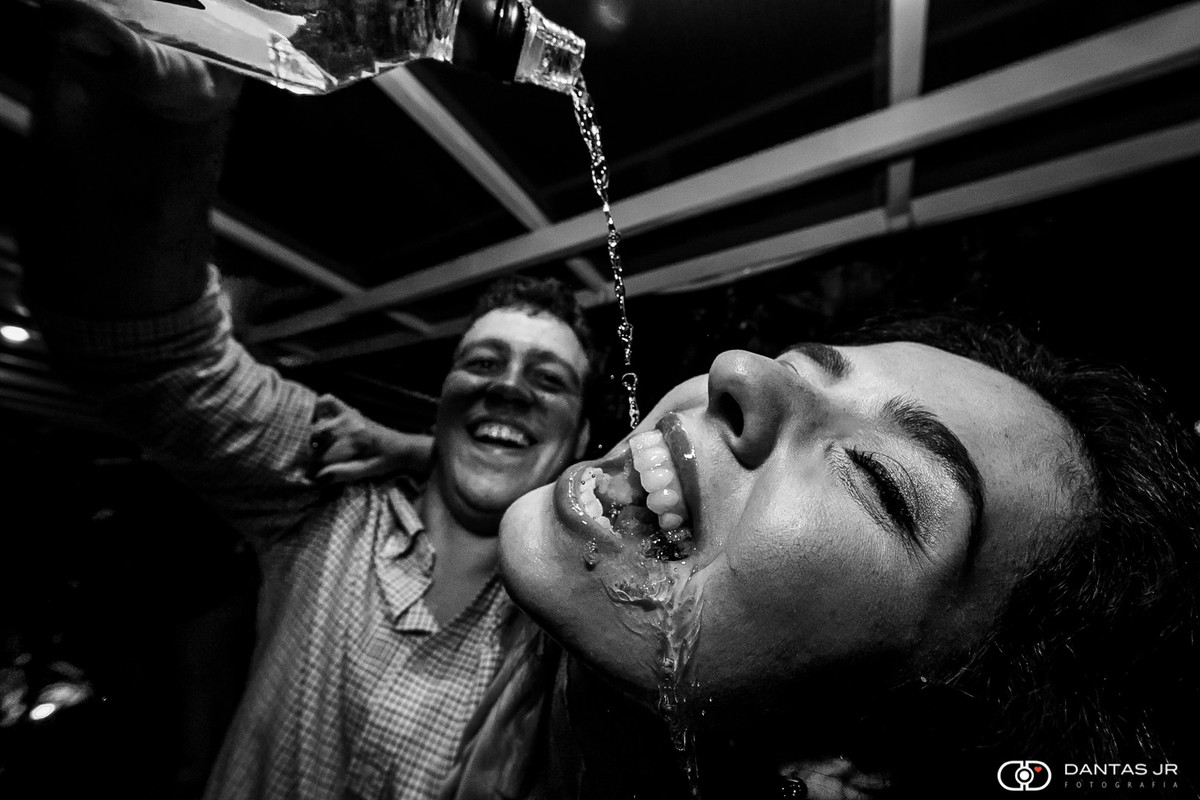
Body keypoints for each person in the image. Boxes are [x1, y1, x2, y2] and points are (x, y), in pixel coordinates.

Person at [20, 3, 596, 797]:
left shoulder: (583, 623)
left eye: (549, 379)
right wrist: (160, 129)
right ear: (440, 400)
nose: (506, 386)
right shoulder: (329, 488)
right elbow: (141, 351)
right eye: (483, 361)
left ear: (585, 434)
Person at [382, 313, 1198, 799]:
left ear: (859, 770)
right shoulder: (500, 672)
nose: (740, 371)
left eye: (878, 480)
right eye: (804, 367)